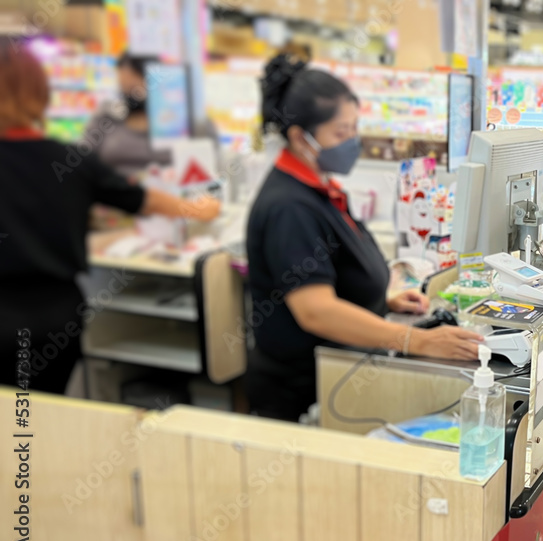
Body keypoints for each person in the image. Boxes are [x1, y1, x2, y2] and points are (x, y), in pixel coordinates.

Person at [244, 54, 483, 421]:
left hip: (339, 371)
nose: (352, 142)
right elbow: (316, 311)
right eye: (341, 133)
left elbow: (332, 274)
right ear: (299, 137)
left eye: (354, 129)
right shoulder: (288, 208)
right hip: (305, 393)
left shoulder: (320, 189)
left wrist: (377, 298)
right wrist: (416, 340)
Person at [0, 43, 220, 394]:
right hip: (55, 318)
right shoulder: (69, 161)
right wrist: (200, 208)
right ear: (40, 92)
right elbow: (143, 199)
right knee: (34, 422)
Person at [86, 52, 216, 178]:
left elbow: (209, 165)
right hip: (115, 195)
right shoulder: (108, 117)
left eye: (134, 89)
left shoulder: (186, 119)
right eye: (124, 91)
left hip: (171, 196)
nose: (131, 98)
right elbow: (84, 160)